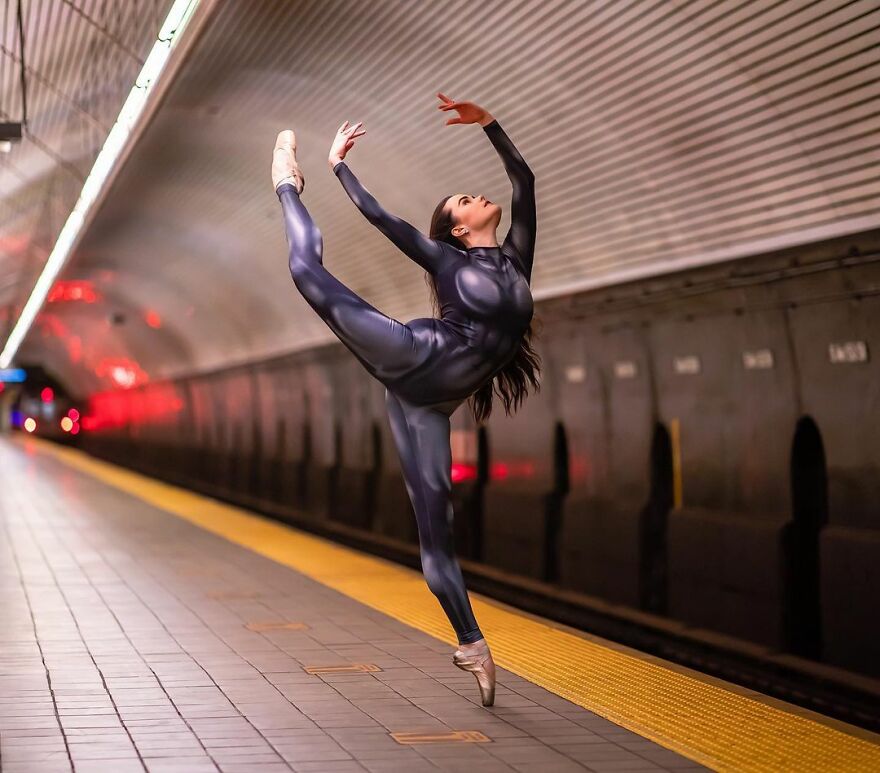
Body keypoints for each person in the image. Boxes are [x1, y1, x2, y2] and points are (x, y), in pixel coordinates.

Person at [271, 92, 540, 706]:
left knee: (436, 530)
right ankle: (288, 185)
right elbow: (382, 220)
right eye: (464, 201)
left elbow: (523, 180)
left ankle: (471, 643)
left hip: (428, 404)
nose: (476, 198)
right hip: (415, 354)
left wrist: (490, 123)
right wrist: (339, 167)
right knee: (309, 275)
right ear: (456, 227)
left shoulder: (517, 262)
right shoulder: (443, 258)